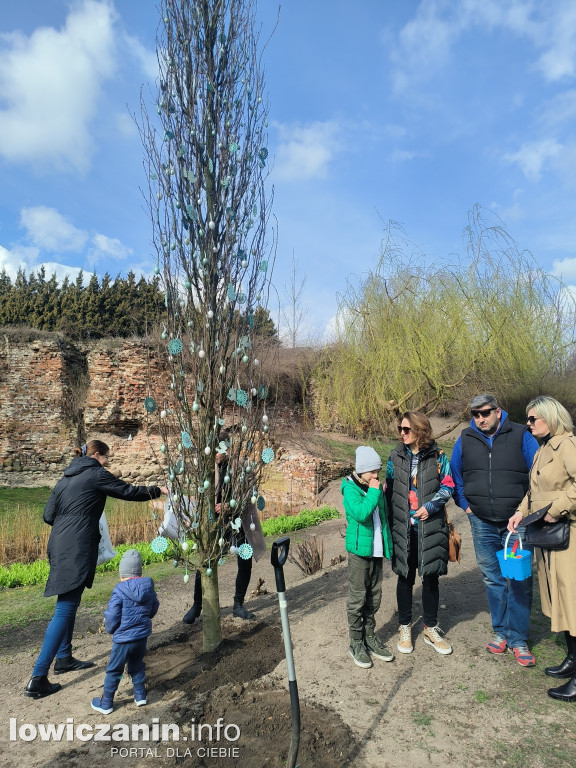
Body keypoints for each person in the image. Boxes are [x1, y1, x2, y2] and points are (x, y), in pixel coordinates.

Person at [24, 440, 167, 699]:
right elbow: (127, 491)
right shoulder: (95, 474)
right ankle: (38, 677)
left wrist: (73, 518)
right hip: (77, 547)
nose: (107, 465)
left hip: (58, 544)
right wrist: (157, 489)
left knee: (68, 601)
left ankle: (64, 657)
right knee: (65, 607)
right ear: (97, 455)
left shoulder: (65, 479)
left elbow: (48, 515)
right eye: (106, 460)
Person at [451, 394, 539, 666]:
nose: (481, 418)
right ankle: (501, 632)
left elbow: (538, 473)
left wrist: (524, 511)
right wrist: (466, 506)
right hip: (482, 522)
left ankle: (518, 639)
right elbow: (456, 473)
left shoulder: (522, 435)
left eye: (486, 413)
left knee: (519, 579)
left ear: (498, 412)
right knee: (493, 578)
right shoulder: (466, 438)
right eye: (476, 414)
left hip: (516, 524)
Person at [508, 396, 576, 701]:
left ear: (551, 417)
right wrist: (521, 511)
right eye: (528, 419)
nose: (529, 424)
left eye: (533, 418)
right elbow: (535, 490)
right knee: (560, 598)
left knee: (572, 600)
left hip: (567, 535)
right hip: (547, 534)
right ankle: (572, 660)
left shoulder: (567, 445)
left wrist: (557, 510)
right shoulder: (544, 448)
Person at [386, 411, 455, 655]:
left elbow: (449, 485)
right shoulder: (395, 456)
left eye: (407, 429)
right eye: (400, 429)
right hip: (404, 529)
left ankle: (430, 627)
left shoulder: (438, 456)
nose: (402, 433)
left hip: (431, 526)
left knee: (430, 578)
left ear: (420, 430)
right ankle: (405, 627)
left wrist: (430, 507)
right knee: (404, 578)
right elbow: (389, 489)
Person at [182, 447, 265, 624]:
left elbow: (250, 495)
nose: (215, 455)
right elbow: (201, 495)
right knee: (207, 561)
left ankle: (238, 605)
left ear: (227, 449)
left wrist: (229, 505)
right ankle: (197, 606)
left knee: (245, 561)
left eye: (218, 451)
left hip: (241, 521)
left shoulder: (242, 467)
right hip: (216, 523)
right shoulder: (208, 468)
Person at [342, 446, 394, 668]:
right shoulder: (349, 488)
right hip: (359, 553)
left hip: (376, 551)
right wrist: (374, 491)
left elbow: (382, 517)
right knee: (357, 598)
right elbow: (361, 513)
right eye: (371, 471)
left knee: (375, 595)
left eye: (377, 471)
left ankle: (370, 636)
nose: (375, 475)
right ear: (361, 470)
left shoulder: (373, 487)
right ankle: (356, 642)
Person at [91, 549, 159, 714]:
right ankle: (140, 695)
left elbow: (113, 615)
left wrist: (110, 628)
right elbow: (154, 607)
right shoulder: (148, 587)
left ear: (123, 573)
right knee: (137, 665)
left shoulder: (119, 590)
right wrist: (144, 618)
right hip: (141, 637)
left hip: (123, 640)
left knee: (114, 669)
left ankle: (106, 702)